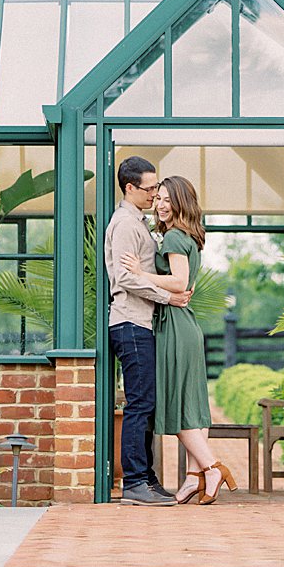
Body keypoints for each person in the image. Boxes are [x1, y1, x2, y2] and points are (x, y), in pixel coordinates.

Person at [122, 175, 237, 505]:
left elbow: (179, 281)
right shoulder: (187, 236)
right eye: (157, 198)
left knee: (178, 404)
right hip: (184, 325)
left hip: (174, 326)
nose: (159, 204)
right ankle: (192, 479)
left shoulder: (173, 237)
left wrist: (140, 273)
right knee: (192, 405)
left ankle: (212, 468)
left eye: (166, 200)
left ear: (180, 204)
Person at [105, 155, 191, 506]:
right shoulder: (125, 224)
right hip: (130, 322)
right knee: (139, 405)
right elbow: (123, 278)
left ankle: (147, 479)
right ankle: (135, 483)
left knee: (146, 404)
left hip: (140, 323)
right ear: (130, 187)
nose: (155, 194)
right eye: (150, 188)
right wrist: (166, 297)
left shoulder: (139, 222)